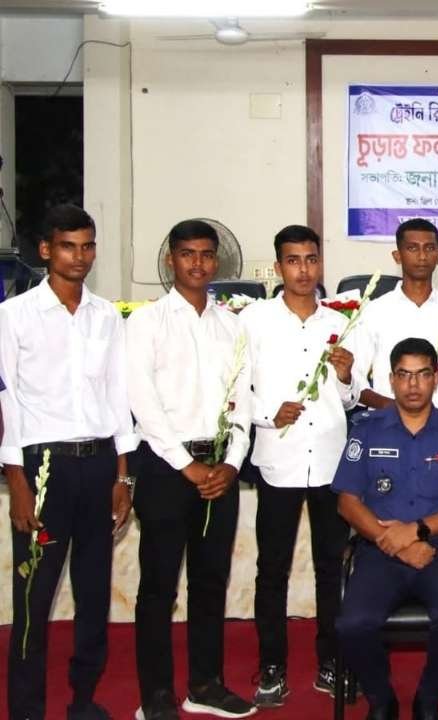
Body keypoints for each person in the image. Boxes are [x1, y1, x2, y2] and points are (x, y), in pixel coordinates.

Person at [1, 204, 138, 720]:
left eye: (87, 246)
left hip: (99, 466)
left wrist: (123, 475)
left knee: (94, 593)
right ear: (45, 250)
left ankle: (84, 699)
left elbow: (118, 396)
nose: (79, 257)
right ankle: (26, 709)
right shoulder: (14, 316)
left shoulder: (106, 316)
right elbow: (7, 403)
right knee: (33, 597)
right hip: (43, 470)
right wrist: (16, 482)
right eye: (67, 246)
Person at [127, 219, 256, 719]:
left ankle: (205, 685)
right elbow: (143, 402)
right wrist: (186, 465)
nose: (198, 263)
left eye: (206, 254)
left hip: (219, 470)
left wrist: (230, 462)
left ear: (216, 261)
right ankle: (156, 696)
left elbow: (242, 402)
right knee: (158, 588)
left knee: (210, 581)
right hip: (165, 469)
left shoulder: (232, 325)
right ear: (171, 260)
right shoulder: (147, 322)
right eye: (188, 254)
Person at [333, 337, 438, 720]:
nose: (413, 384)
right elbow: (347, 502)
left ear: (436, 378)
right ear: (391, 379)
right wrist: (395, 542)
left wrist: (417, 531)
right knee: (352, 624)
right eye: (403, 375)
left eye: (422, 375)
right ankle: (381, 699)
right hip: (379, 551)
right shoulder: (366, 429)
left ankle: (428, 699)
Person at [239, 225, 359, 707]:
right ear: (278, 267)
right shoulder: (254, 321)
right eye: (293, 260)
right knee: (272, 570)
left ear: (320, 264)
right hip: (278, 460)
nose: (304, 270)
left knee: (333, 568)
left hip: (330, 462)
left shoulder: (342, 321)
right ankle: (272, 666)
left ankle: (332, 662)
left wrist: (346, 377)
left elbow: (349, 398)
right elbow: (235, 388)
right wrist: (268, 414)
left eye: (311, 259)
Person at [349, 218, 438, 417]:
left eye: (429, 248)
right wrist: (393, 409)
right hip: (388, 424)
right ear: (397, 256)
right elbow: (355, 378)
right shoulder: (375, 311)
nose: (422, 256)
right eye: (412, 248)